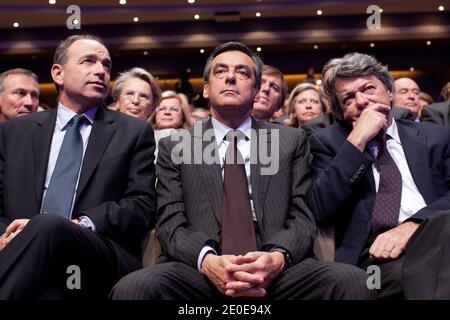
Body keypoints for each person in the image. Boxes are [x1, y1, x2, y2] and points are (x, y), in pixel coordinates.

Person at [111, 42, 374, 300]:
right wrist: (207, 261)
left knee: (352, 283)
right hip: (198, 269)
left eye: (242, 73)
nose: (230, 78)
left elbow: (302, 215)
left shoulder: (291, 140)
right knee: (133, 289)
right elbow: (170, 221)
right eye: (220, 71)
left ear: (257, 89)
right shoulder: (176, 145)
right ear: (205, 88)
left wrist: (276, 258)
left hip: (278, 270)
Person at [0, 34, 156, 299]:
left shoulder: (133, 132)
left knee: (48, 225)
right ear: (58, 73)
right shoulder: (15, 132)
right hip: (23, 253)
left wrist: (81, 224)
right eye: (88, 61)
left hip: (99, 250)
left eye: (106, 65)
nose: (100, 71)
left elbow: (141, 205)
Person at [308, 52, 450, 299]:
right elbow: (321, 209)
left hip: (438, 237)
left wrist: (415, 225)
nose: (361, 101)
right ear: (340, 111)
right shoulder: (328, 143)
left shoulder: (435, 137)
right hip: (377, 258)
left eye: (369, 88)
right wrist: (356, 141)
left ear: (390, 91)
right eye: (349, 98)